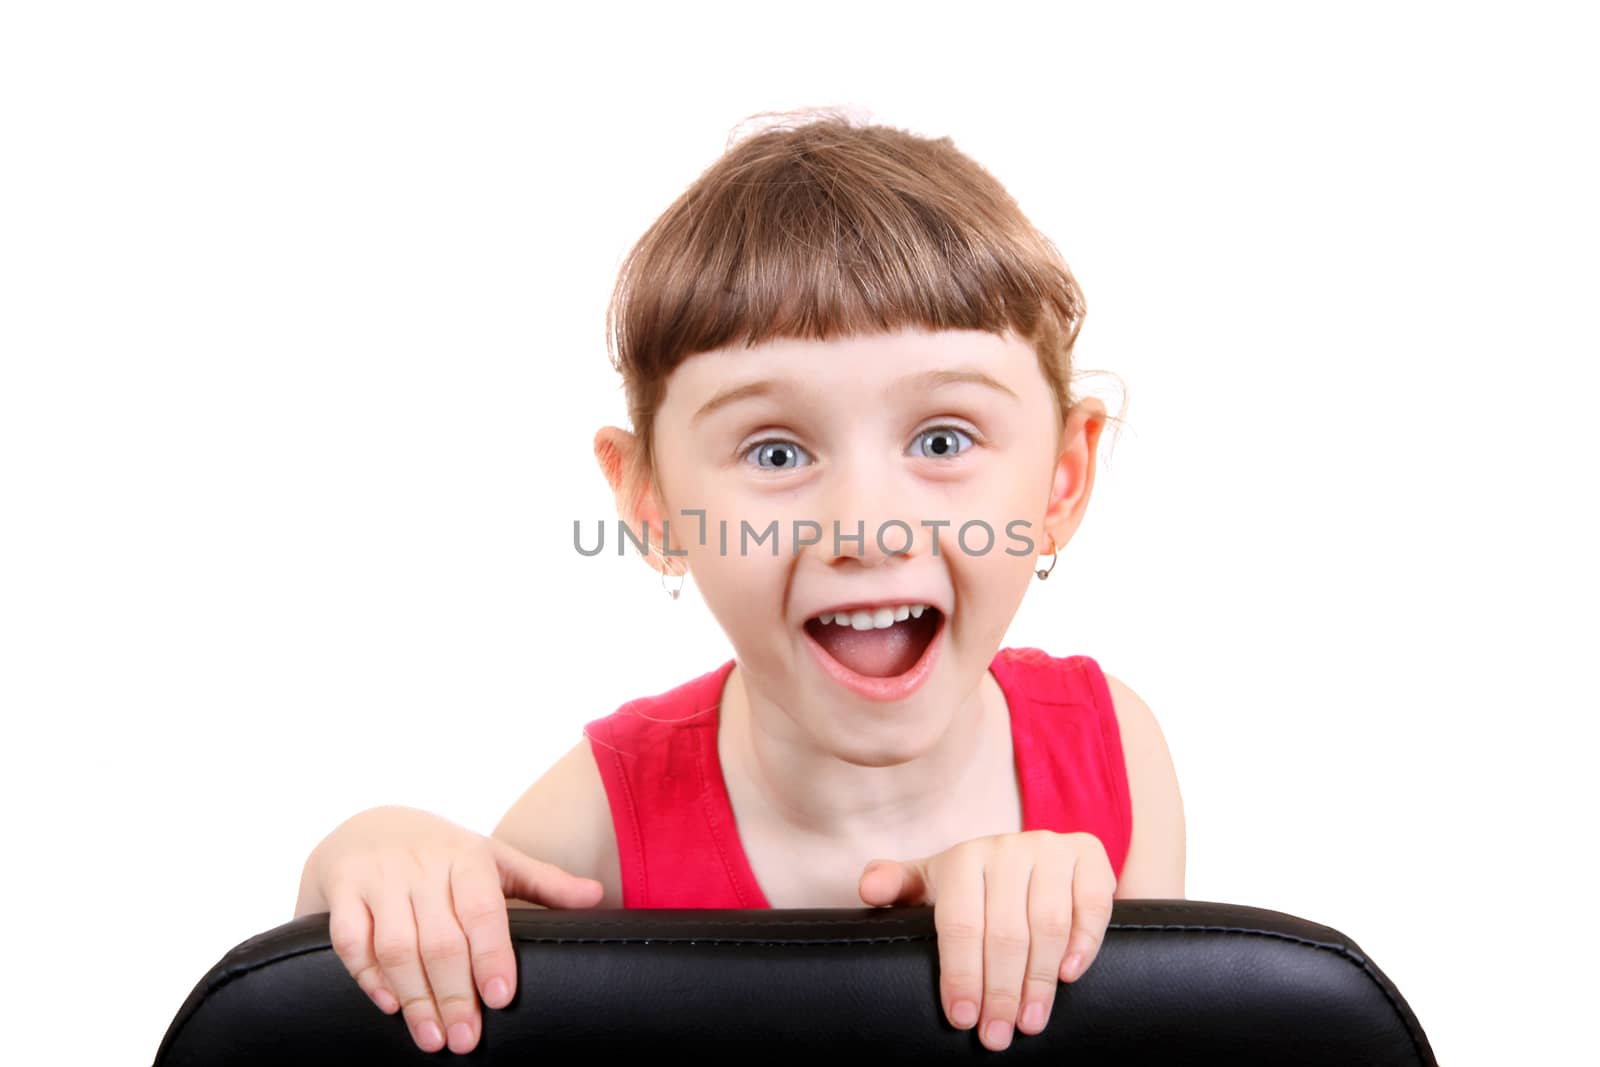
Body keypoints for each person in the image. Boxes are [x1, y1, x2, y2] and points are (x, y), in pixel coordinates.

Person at [295, 107, 1186, 1056]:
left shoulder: (1111, 754)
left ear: (1062, 478)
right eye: (773, 450)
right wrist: (365, 867)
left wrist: (1079, 932)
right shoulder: (599, 819)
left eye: (942, 439)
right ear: (651, 503)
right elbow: (388, 1000)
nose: (864, 526)